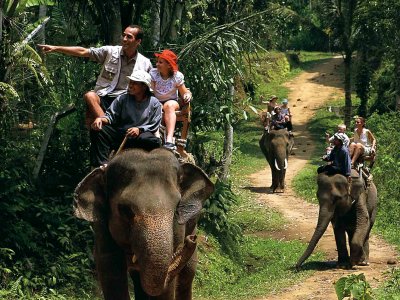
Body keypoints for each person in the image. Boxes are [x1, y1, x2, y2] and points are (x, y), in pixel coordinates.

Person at [38, 25, 152, 127]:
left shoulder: (145, 63)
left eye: (129, 37)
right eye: (124, 35)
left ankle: (106, 125)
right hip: (104, 96)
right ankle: (105, 122)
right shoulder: (110, 51)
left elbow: (151, 88)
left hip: (125, 100)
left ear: (138, 41)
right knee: (90, 96)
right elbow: (83, 51)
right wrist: (55, 48)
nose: (124, 39)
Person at [90, 70, 162, 168]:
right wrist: (101, 119)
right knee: (98, 130)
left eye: (134, 83)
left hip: (140, 136)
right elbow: (111, 116)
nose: (130, 85)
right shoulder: (122, 99)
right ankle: (102, 164)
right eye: (130, 82)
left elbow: (154, 124)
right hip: (122, 134)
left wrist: (139, 129)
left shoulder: (154, 103)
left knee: (152, 141)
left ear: (144, 86)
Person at [149, 49, 192, 150]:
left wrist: (187, 95)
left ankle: (169, 139)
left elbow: (184, 92)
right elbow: (150, 91)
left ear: (169, 65)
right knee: (156, 104)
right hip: (157, 101)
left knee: (169, 105)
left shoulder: (176, 76)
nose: (157, 64)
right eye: (157, 62)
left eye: (160, 62)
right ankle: (157, 135)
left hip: (172, 102)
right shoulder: (154, 74)